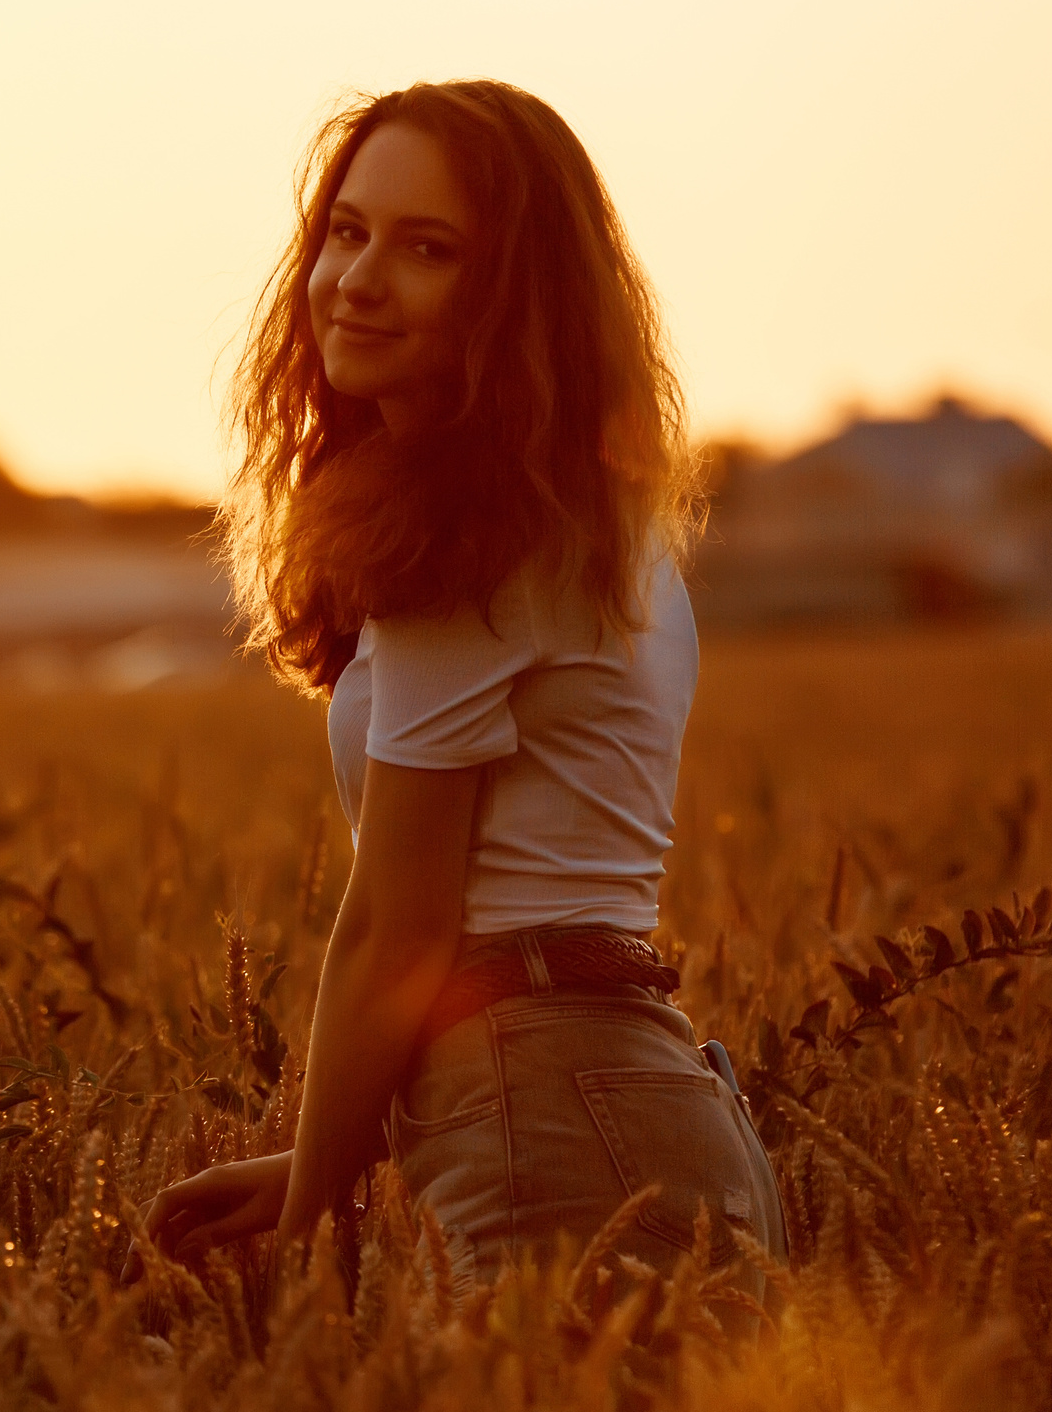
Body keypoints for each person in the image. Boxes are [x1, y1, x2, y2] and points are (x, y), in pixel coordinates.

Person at [142, 81, 785, 1295]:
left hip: (551, 1117)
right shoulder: (587, 522)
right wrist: (308, 1162)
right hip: (633, 1098)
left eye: (426, 249)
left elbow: (401, 931)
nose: (359, 279)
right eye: (347, 231)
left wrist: (310, 1211)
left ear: (513, 298)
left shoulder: (470, 540)